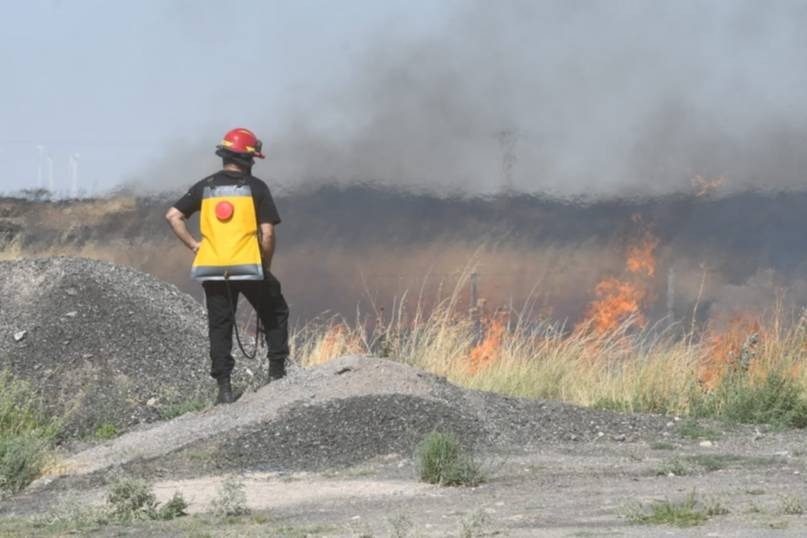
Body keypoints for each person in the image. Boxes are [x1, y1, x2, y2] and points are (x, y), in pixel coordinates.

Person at [165, 128, 289, 404]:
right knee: (275, 310)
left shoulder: (204, 186)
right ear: (248, 159)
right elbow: (267, 234)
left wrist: (195, 246)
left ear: (224, 155)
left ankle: (224, 389)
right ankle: (277, 373)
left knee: (220, 324)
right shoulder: (257, 188)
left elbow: (173, 216)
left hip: (212, 267)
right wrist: (264, 265)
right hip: (248, 266)